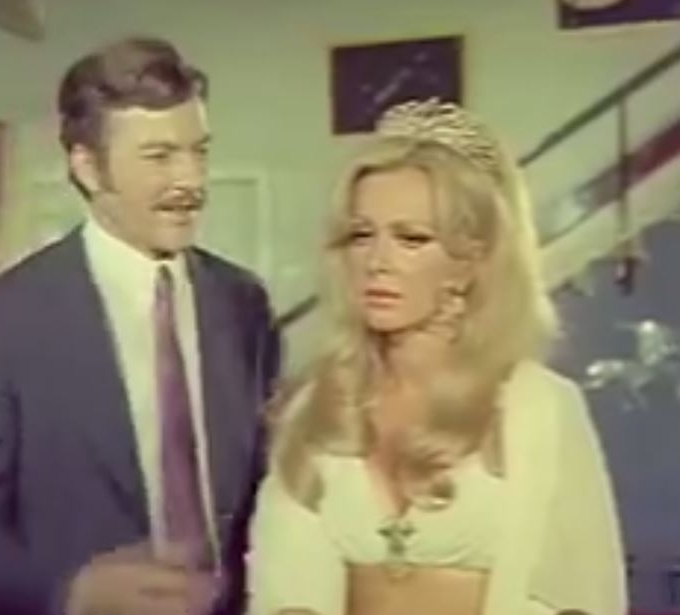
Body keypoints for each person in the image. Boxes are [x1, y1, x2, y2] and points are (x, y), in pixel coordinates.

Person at [247, 99, 625, 615]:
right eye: (362, 235)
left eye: (412, 238)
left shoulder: (541, 409)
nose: (377, 262)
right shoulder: (317, 408)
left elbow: (580, 597)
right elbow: (285, 595)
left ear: (470, 261)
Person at [0, 37, 279, 615]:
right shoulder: (0, 322)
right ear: (89, 168)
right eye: (159, 156)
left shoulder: (242, 302)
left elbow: (266, 490)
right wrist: (71, 591)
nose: (191, 181)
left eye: (198, 151)